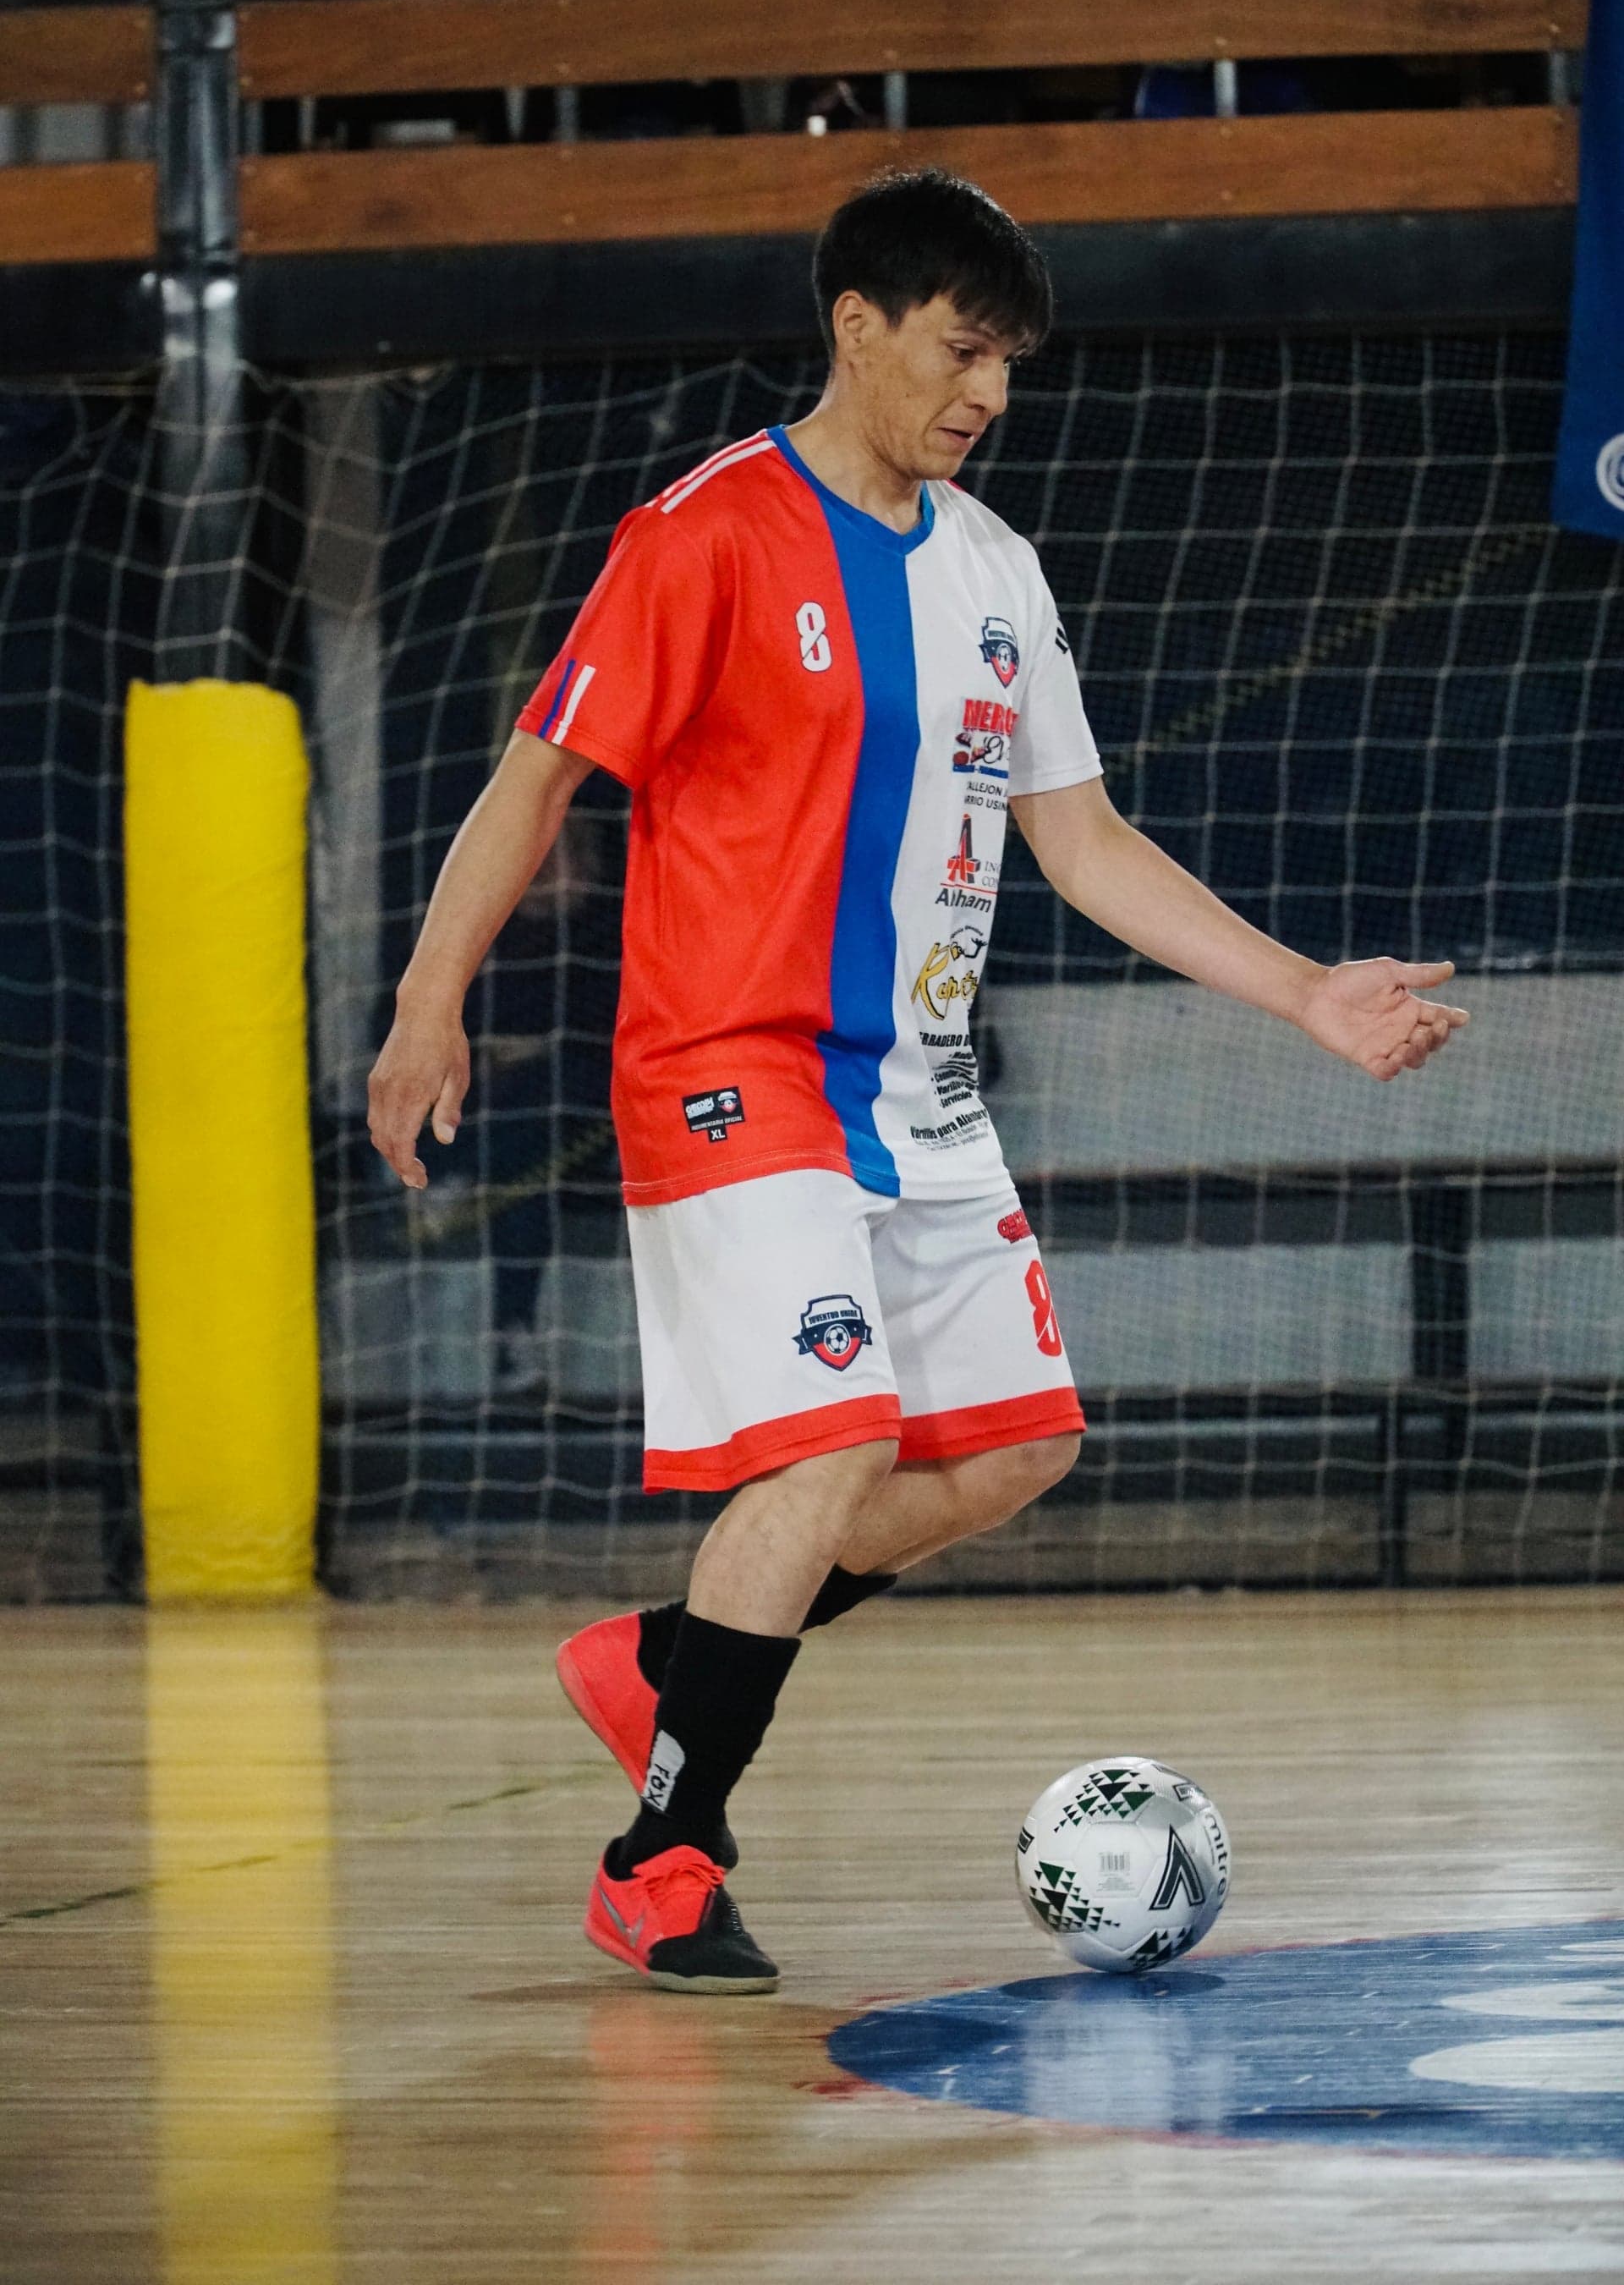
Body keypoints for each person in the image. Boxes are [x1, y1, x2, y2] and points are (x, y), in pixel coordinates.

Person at [366, 168, 1469, 1995]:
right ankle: (665, 1851)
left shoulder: (995, 570)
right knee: (838, 1445)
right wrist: (429, 1002)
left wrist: (1305, 998)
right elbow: (535, 777)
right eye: (964, 350)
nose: (989, 394)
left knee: (1019, 1446)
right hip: (732, 1072)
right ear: (856, 325)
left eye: (1010, 365)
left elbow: (1085, 839)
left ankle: (673, 1655)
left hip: (920, 1092)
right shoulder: (705, 532)